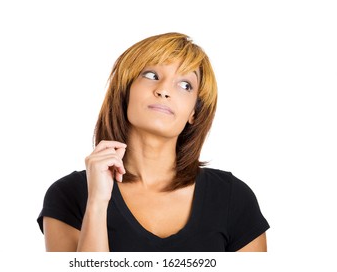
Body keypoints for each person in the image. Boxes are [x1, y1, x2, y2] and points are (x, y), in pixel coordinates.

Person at [37, 32, 270, 252]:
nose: (164, 90)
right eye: (151, 75)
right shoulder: (69, 194)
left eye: (185, 85)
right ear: (125, 91)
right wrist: (97, 203)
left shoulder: (231, 197)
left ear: (194, 113)